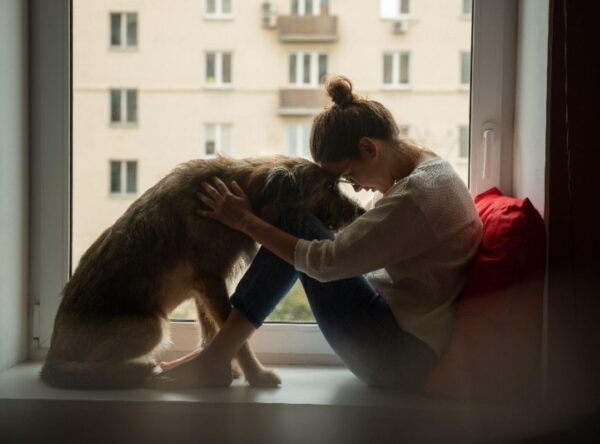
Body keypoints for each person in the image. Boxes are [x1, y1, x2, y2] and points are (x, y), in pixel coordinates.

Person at [158, 76, 483, 391]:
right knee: (299, 228)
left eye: (347, 175)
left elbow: (326, 264)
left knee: (295, 224)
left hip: (395, 355)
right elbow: (361, 243)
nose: (354, 187)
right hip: (402, 342)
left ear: (369, 148)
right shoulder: (426, 167)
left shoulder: (416, 196)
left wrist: (245, 221)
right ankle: (219, 354)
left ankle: (217, 356)